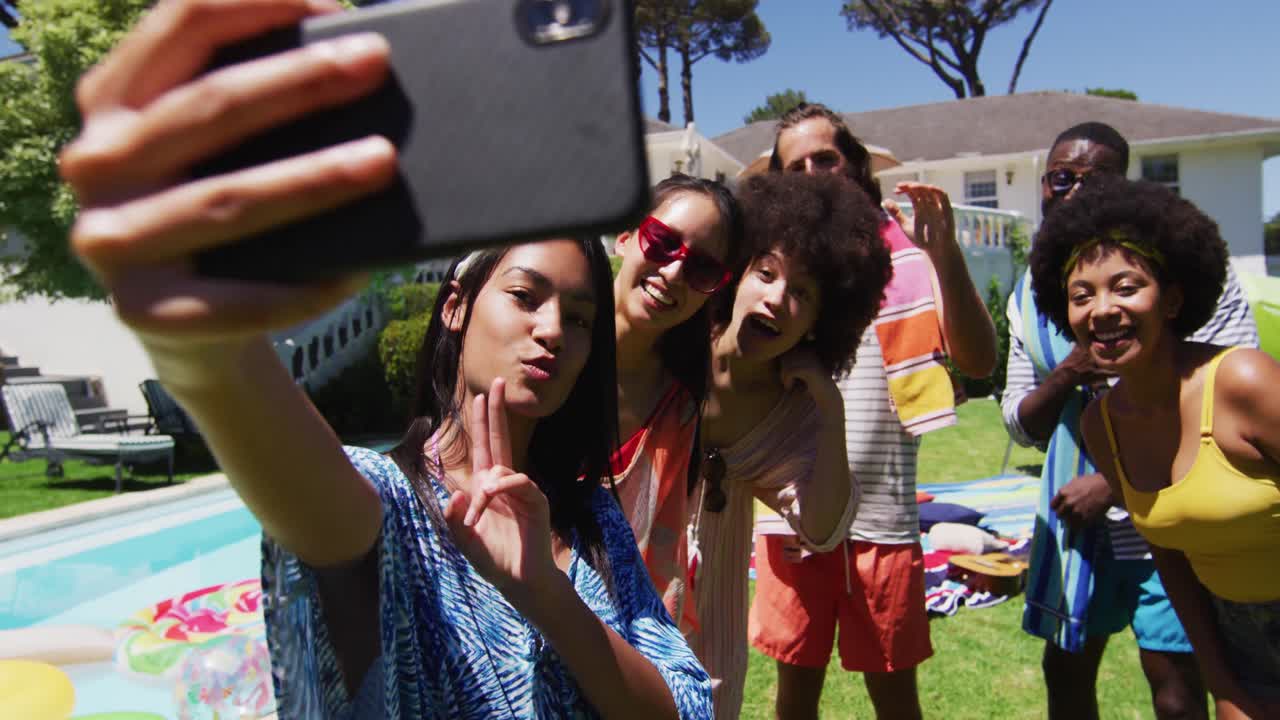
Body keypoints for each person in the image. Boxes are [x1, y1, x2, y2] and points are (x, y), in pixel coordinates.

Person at [60, 1, 712, 717]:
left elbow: (682, 705)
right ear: (456, 307)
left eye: (582, 318)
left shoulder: (592, 517)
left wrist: (548, 597)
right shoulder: (389, 501)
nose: (554, 329)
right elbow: (313, 503)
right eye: (526, 296)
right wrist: (202, 348)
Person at [749, 103, 998, 720]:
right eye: (796, 166)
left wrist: (944, 254)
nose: (813, 174)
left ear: (855, 166)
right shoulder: (770, 269)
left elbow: (978, 360)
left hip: (882, 518)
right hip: (791, 515)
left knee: (895, 701)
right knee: (794, 699)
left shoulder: (907, 254)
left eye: (825, 159)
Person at [1002, 122, 1258, 720]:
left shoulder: (1183, 272)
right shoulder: (1030, 293)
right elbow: (1019, 421)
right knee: (1065, 674)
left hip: (1174, 511)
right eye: (1060, 177)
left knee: (1176, 687)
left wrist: (1114, 485)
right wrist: (1068, 373)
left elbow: (1225, 394)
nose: (1073, 191)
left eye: (1093, 179)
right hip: (1074, 527)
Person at [686, 170, 893, 719]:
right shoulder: (675, 348)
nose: (777, 298)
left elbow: (822, 528)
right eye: (766, 273)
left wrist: (830, 408)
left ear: (822, 323)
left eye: (802, 292)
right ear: (737, 273)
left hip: (710, 628)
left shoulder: (793, 412)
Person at [610, 174, 742, 626]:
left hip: (616, 642)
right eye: (662, 242)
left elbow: (659, 563)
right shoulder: (548, 351)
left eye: (702, 269)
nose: (673, 273)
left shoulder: (681, 407)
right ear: (625, 237)